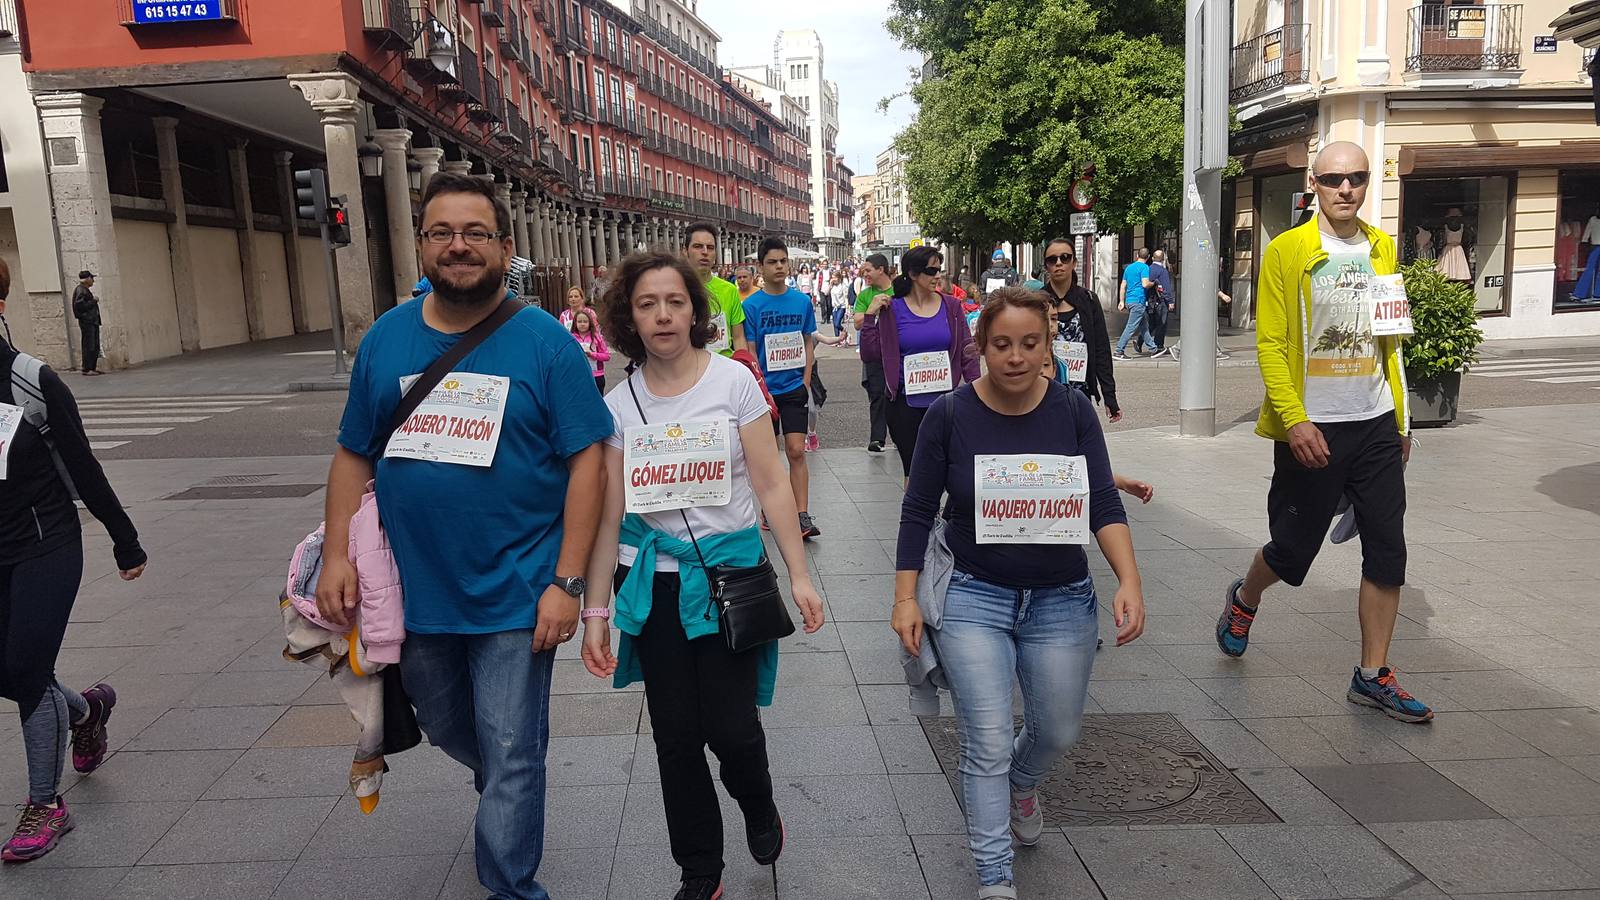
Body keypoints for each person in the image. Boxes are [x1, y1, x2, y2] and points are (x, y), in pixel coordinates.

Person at [319, 172, 614, 900]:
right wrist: (333, 553)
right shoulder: (386, 340)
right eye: (442, 232)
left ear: (504, 248)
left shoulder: (546, 342)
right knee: (452, 725)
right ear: (421, 244)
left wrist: (567, 583)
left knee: (512, 746)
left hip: (518, 591)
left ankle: (511, 883)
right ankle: (508, 785)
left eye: (475, 233)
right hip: (414, 593)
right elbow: (354, 452)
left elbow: (588, 464)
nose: (458, 246)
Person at [580, 251, 826, 900]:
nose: (662, 315)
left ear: (696, 310)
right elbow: (608, 521)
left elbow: (772, 484)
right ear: (628, 318)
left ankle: (758, 800)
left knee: (733, 730)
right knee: (675, 737)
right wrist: (596, 613)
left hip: (730, 579)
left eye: (674, 302)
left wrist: (799, 575)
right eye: (646, 304)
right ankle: (699, 870)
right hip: (653, 585)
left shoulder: (733, 384)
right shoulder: (618, 405)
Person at [893, 288, 1146, 900]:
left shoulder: (1073, 411)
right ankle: (995, 877)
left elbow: (1101, 501)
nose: (1014, 356)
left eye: (1029, 343)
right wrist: (905, 597)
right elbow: (918, 509)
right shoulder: (949, 415)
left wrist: (1129, 578)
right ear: (980, 346)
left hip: (1061, 598)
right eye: (1001, 344)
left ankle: (1024, 781)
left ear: (1047, 346)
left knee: (1056, 730)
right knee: (984, 741)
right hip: (972, 595)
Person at [1216, 141, 1429, 723]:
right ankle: (1245, 597)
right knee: (1291, 552)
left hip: (1376, 421)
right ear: (1314, 182)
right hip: (1313, 425)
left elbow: (1393, 338)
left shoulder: (1383, 248)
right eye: (1334, 179)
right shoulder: (1289, 251)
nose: (1345, 189)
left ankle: (1372, 674)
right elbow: (1270, 345)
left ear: (1366, 183)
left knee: (1388, 549)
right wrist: (1295, 420)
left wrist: (1403, 421)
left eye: (1356, 178)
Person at [0, 257, 145, 861]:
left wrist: (124, 538)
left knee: (28, 669)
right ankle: (86, 711)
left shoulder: (29, 380)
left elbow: (83, 467)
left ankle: (45, 805)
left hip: (44, 543)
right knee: (5, 673)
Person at [859, 245, 980, 477]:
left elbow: (967, 352)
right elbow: (870, 354)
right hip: (905, 406)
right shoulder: (891, 308)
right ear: (913, 274)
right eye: (931, 271)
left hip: (945, 404)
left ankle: (943, 514)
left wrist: (977, 391)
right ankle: (918, 515)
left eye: (939, 270)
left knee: (949, 470)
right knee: (914, 472)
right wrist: (869, 317)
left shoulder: (952, 306)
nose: (938, 276)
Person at [742, 238, 821, 538]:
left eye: (782, 261)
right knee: (769, 456)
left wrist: (806, 378)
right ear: (761, 266)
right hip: (765, 393)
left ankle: (801, 514)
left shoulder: (801, 301)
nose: (779, 267)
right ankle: (770, 509)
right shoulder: (751, 305)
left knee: (796, 451)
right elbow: (750, 347)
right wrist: (757, 385)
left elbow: (807, 342)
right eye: (772, 262)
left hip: (794, 388)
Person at [1039, 238, 1121, 423]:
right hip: (1043, 390)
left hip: (1080, 393)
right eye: (1052, 260)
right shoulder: (1037, 302)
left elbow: (1101, 349)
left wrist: (1109, 396)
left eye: (1065, 258)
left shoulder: (1089, 300)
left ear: (1074, 262)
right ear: (1046, 266)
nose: (1059, 263)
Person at [683, 223, 747, 357]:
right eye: (698, 246)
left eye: (710, 248)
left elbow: (738, 337)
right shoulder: (675, 289)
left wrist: (744, 365)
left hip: (725, 368)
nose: (705, 252)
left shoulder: (729, 290)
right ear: (685, 252)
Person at [853, 254, 895, 454]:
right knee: (877, 395)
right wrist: (873, 308)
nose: (865, 274)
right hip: (873, 351)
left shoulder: (899, 291)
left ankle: (899, 436)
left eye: (868, 270)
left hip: (896, 350)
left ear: (881, 269)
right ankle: (877, 438)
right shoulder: (865, 295)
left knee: (898, 395)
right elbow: (857, 322)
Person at [1114, 248, 1157, 359]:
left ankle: (1153, 349)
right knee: (1131, 327)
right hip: (1138, 300)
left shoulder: (1129, 268)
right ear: (1148, 258)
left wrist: (1121, 301)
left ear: (1137, 255)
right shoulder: (1145, 267)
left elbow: (1123, 285)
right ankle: (1119, 350)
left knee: (1143, 326)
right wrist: (1153, 283)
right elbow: (1145, 284)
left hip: (1129, 300)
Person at [571, 308, 611, 392]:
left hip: (597, 375)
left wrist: (592, 354)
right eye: (579, 321)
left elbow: (607, 356)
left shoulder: (597, 337)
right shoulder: (571, 338)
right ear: (575, 323)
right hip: (578, 375)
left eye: (585, 322)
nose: (582, 324)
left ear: (590, 323)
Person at [71, 271, 103, 376]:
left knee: (94, 345)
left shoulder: (85, 290)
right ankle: (87, 368)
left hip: (92, 321)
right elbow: (79, 306)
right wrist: (93, 301)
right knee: (89, 345)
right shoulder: (81, 290)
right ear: (86, 279)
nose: (93, 280)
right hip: (88, 322)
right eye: (91, 278)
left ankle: (92, 367)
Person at [1147, 249, 1175, 357]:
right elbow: (1166, 287)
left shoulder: (1148, 269)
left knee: (1152, 323)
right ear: (1163, 259)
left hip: (1150, 300)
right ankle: (1159, 345)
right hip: (1161, 301)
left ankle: (1140, 341)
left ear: (1153, 258)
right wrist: (1170, 301)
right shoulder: (1163, 271)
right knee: (1161, 324)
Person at [828, 272, 852, 345]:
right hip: (834, 307)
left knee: (837, 323)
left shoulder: (842, 286)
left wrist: (847, 308)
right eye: (832, 277)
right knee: (834, 324)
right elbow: (826, 293)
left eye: (835, 278)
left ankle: (846, 333)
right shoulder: (832, 286)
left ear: (839, 278)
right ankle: (837, 340)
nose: (834, 279)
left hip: (841, 306)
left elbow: (846, 297)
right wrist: (830, 285)